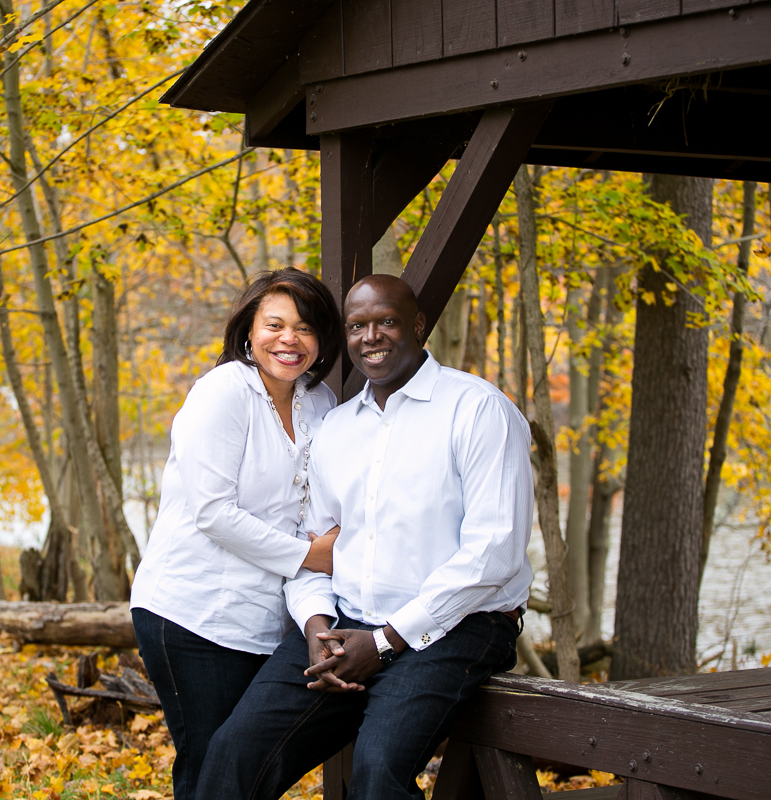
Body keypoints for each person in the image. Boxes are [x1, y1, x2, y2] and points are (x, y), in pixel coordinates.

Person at [196, 274, 534, 800]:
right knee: (233, 755)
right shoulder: (337, 428)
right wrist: (314, 625)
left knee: (376, 779)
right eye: (357, 326)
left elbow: (495, 555)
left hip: (457, 626)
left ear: (418, 325)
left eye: (387, 322)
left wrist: (385, 641)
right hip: (345, 628)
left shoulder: (477, 409)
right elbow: (315, 545)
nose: (370, 336)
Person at [130, 268, 344, 800]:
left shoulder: (321, 404)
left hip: (266, 618)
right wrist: (309, 558)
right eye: (275, 324)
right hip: (192, 611)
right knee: (209, 763)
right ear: (249, 330)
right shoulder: (223, 393)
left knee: (242, 769)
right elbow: (213, 512)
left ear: (323, 341)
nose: (289, 340)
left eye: (305, 328)